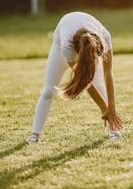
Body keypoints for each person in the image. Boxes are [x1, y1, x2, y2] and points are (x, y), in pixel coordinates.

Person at [26, 11, 123, 143]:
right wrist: (103, 108)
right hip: (60, 43)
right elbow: (84, 81)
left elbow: (108, 74)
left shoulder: (105, 37)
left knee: (100, 84)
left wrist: (111, 107)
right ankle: (34, 135)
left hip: (87, 41)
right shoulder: (67, 46)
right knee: (48, 90)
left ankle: (114, 131)